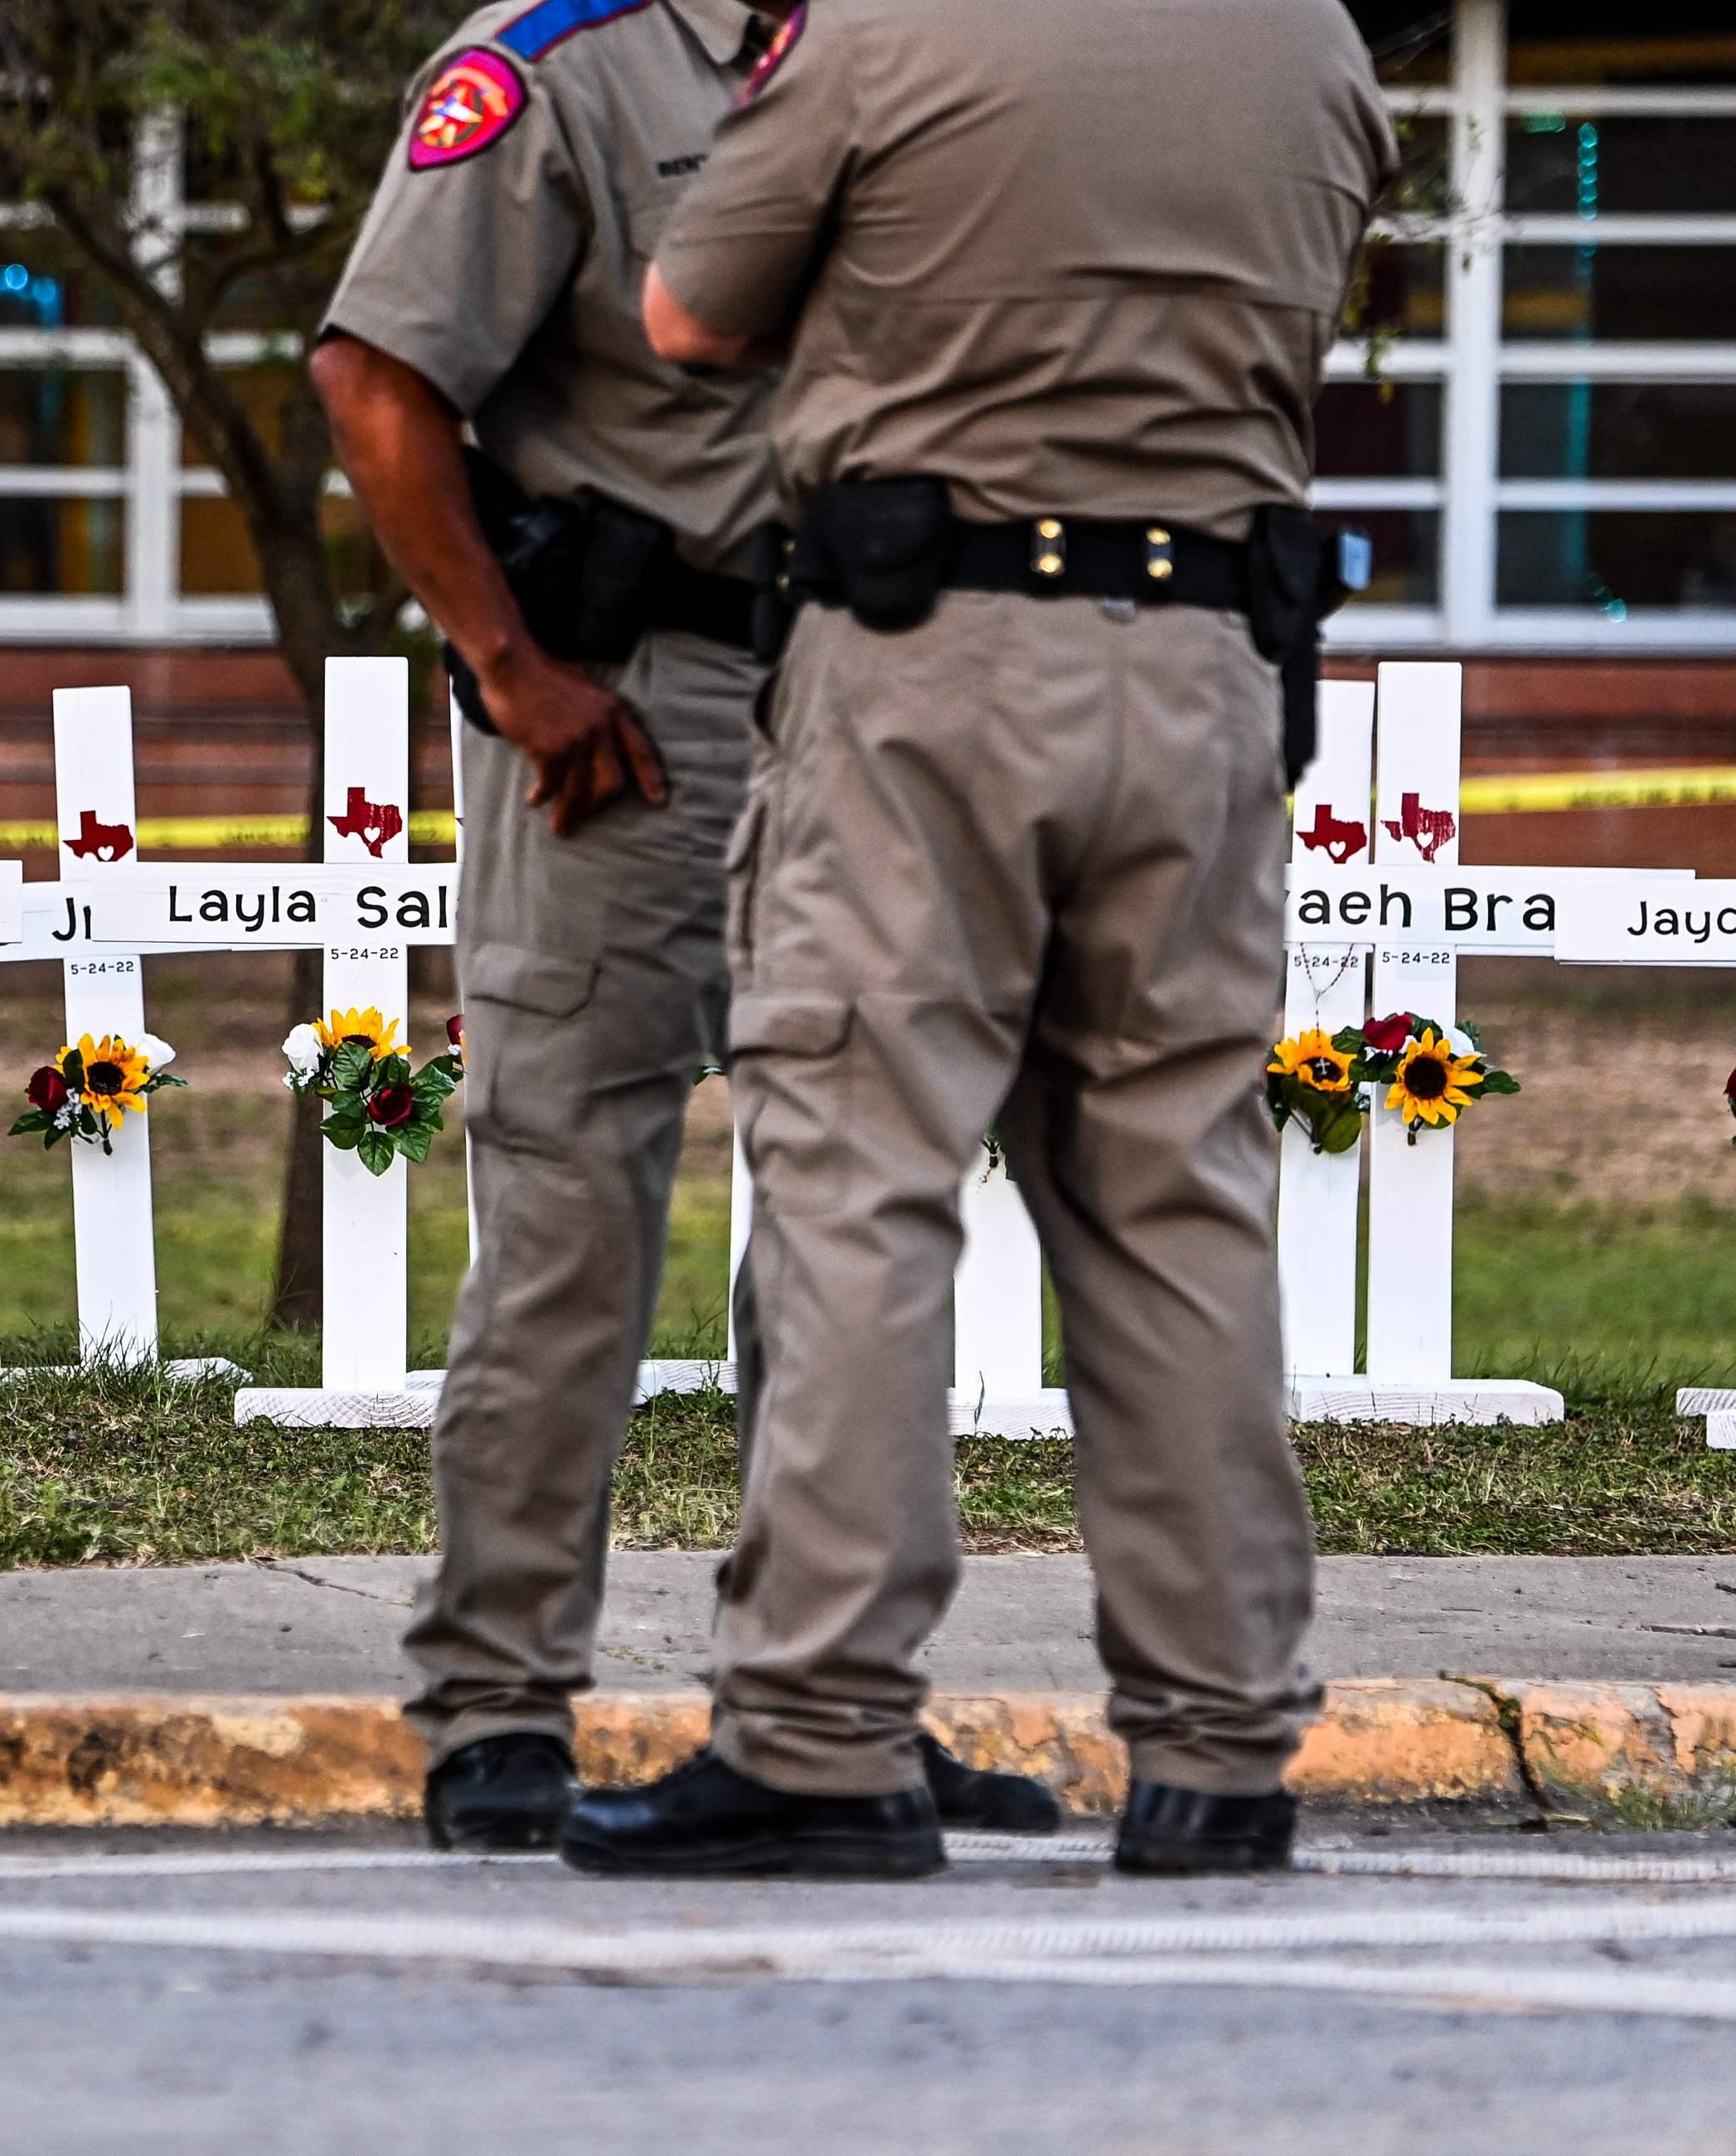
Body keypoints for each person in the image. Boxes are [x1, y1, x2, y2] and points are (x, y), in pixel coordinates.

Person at [574, 0, 1396, 1879]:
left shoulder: (884, 29)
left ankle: (818, 1734)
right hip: (1207, 665)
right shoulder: (1312, 42)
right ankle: (1217, 1750)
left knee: (863, 1166)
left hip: (931, 650)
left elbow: (692, 313)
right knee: (1176, 1191)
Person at [310, 0, 1055, 1855]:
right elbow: (374, 374)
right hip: (629, 713)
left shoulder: (921, 52)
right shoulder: (562, 64)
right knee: (571, 1216)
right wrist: (506, 666)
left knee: (859, 1222)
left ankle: (824, 1713)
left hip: (875, 698)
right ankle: (499, 1708)